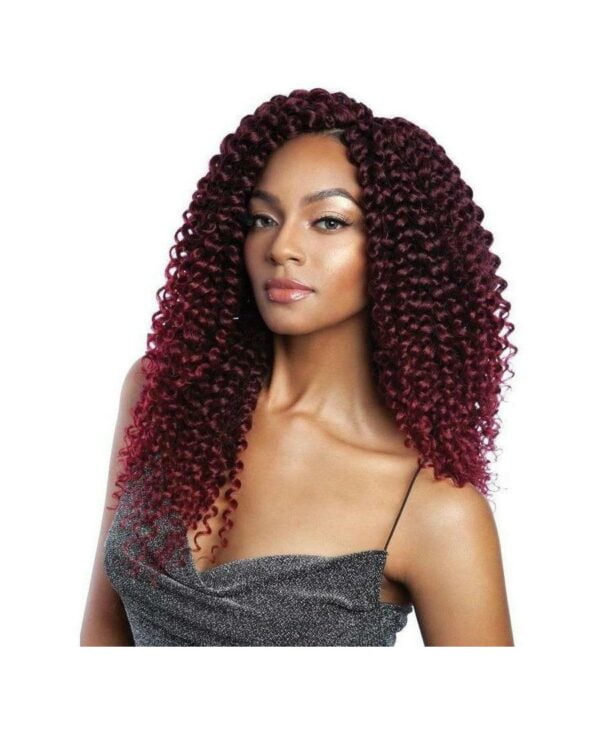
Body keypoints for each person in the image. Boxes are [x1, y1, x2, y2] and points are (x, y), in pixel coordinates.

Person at [80, 88, 515, 647]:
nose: (281, 246)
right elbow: (102, 631)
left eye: (328, 222)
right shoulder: (165, 391)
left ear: (400, 251)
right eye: (261, 218)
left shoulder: (434, 509)